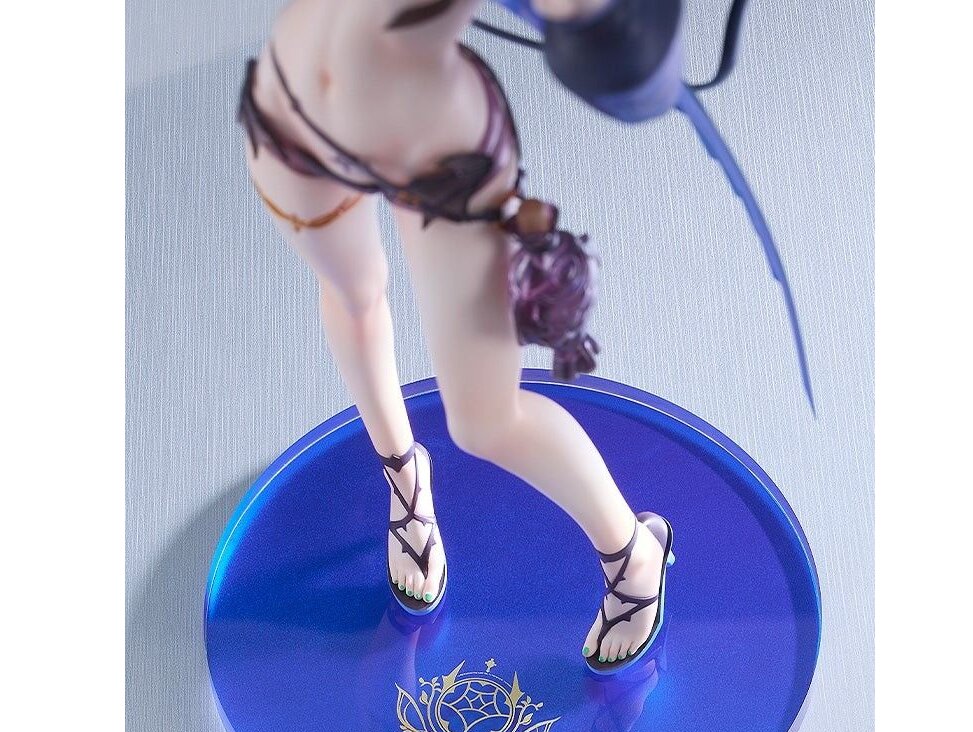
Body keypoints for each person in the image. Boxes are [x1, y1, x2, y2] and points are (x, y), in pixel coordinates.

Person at [238, 0, 673, 672]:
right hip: (292, 112)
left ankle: (634, 555)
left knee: (488, 422)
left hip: (438, 150)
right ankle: (406, 483)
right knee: (353, 297)